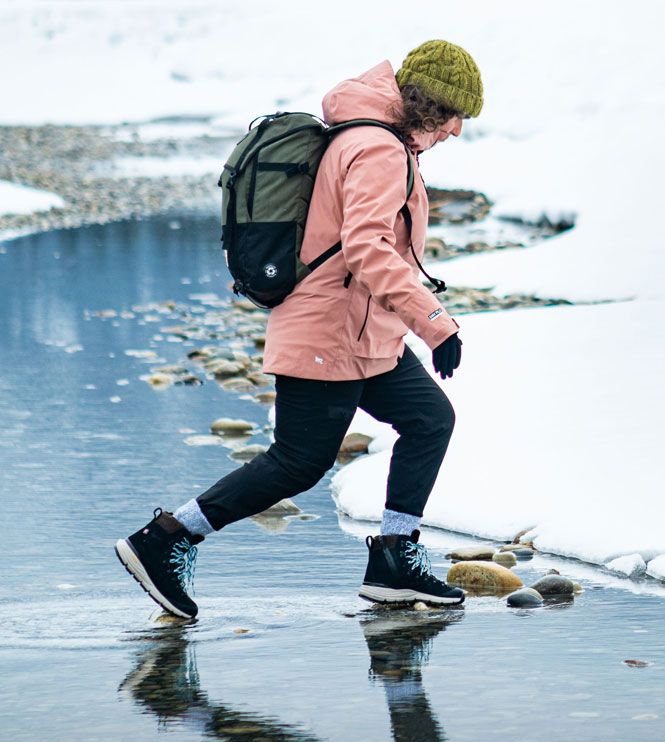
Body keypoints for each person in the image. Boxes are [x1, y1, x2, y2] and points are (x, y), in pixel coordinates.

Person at [115, 39, 484, 619]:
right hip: (330, 332)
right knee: (298, 461)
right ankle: (165, 538)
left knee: (429, 418)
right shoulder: (378, 149)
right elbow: (367, 248)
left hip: (367, 334)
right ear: (429, 106)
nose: (457, 131)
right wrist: (435, 322)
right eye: (455, 116)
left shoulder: (373, 138)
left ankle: (393, 556)